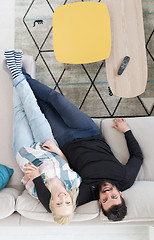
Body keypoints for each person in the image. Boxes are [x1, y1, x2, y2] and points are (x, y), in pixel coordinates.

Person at [22, 65, 143, 222]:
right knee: (56, 98)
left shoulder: (86, 194)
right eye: (113, 196)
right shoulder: (126, 179)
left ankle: (20, 80)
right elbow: (137, 156)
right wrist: (126, 131)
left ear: (100, 203)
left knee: (44, 107)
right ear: (120, 194)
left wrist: (38, 178)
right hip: (89, 132)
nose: (107, 193)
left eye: (105, 199)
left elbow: (49, 205)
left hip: (65, 140)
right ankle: (21, 75)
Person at [4, 49, 82, 225]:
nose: (63, 198)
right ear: (72, 201)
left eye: (59, 203)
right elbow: (67, 164)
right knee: (32, 107)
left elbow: (26, 176)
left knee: (20, 111)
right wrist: (57, 151)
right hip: (48, 144)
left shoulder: (38, 192)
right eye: (67, 202)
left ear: (52, 204)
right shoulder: (74, 182)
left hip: (25, 150)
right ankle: (14, 68)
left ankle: (14, 67)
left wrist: (34, 175)